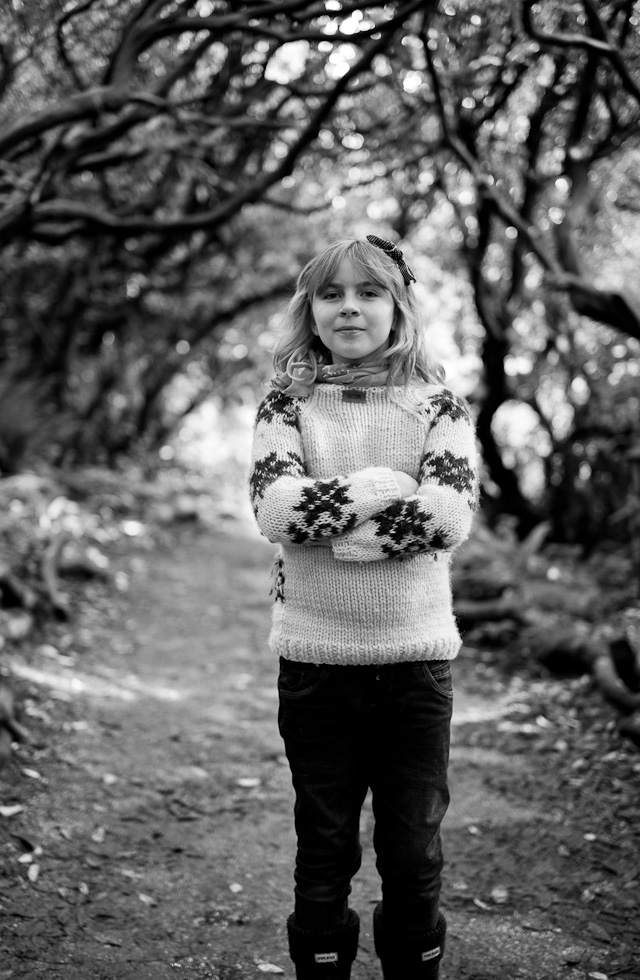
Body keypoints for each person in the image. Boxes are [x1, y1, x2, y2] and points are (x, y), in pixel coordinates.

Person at [249, 236, 479, 980]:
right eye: (332, 293)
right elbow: (279, 511)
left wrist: (343, 532)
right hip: (315, 665)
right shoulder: (287, 401)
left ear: (399, 305)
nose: (350, 306)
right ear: (310, 309)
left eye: (370, 291)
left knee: (414, 855)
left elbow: (448, 515)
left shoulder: (439, 403)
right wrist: (383, 485)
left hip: (415, 667)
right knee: (325, 852)